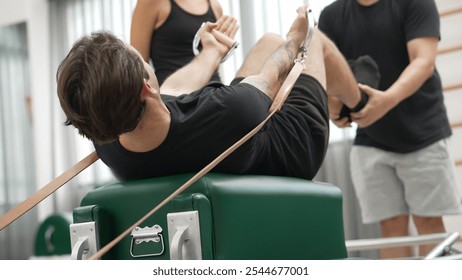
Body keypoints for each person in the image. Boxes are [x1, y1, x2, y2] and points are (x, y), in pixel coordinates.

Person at [56, 7, 363, 184]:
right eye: (140, 60)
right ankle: (358, 104)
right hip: (290, 145)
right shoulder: (228, 111)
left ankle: (336, 101)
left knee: (268, 39)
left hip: (233, 143)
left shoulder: (106, 134)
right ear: (145, 88)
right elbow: (273, 75)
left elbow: (174, 91)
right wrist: (298, 35)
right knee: (313, 40)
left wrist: (213, 51)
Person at [318, 0, 462, 259]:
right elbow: (326, 72)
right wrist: (332, 107)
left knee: (428, 224)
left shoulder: (415, 3)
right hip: (369, 137)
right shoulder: (332, 15)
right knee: (390, 227)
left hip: (423, 133)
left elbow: (423, 62)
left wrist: (386, 101)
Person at [130, 0, 227, 85]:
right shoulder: (151, 2)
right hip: (176, 98)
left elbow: (214, 64)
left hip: (214, 92)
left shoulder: (215, 6)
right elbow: (138, 66)